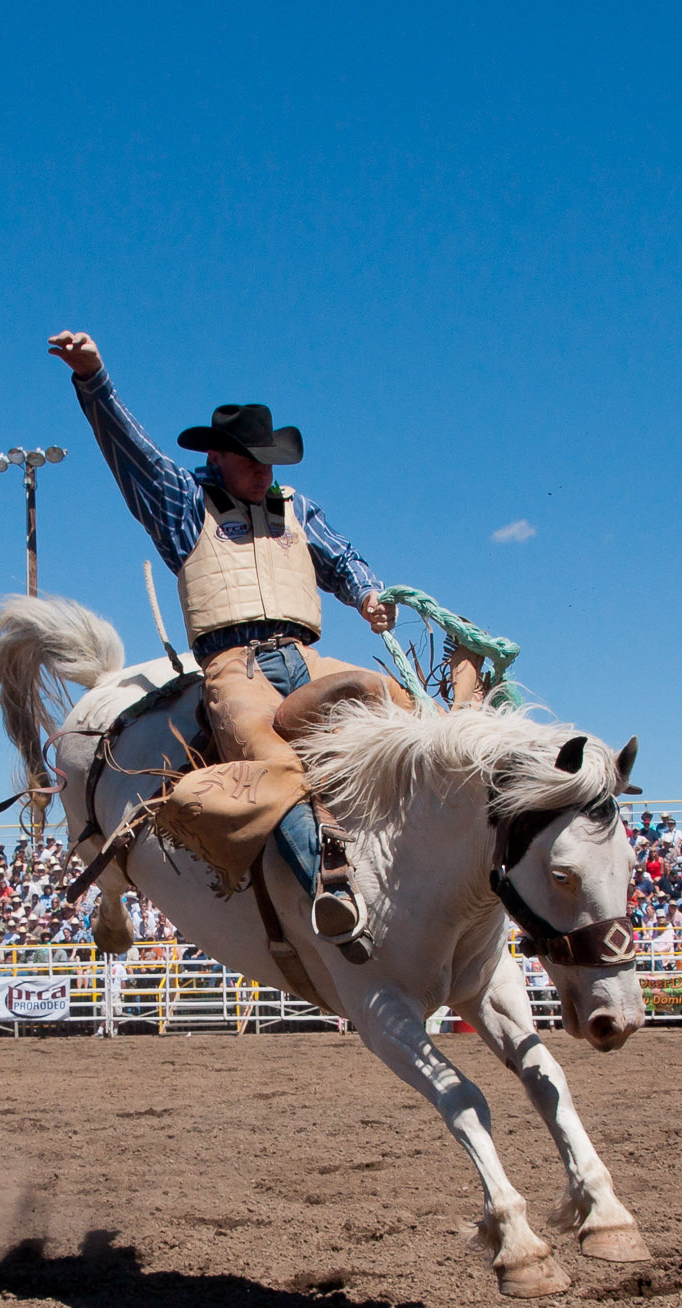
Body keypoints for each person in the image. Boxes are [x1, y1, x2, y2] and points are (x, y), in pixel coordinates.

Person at [49, 328, 400, 949]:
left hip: (306, 656)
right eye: (251, 460)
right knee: (276, 766)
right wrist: (93, 380)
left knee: (403, 715)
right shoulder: (184, 505)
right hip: (234, 667)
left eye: (269, 460)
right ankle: (331, 893)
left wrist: (368, 593)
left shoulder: (296, 507)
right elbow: (132, 453)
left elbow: (343, 560)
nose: (264, 471)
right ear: (216, 459)